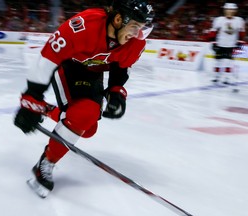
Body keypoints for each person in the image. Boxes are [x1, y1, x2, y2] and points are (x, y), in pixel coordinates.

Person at [14, 0, 155, 198]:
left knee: (88, 129)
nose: (137, 34)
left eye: (141, 29)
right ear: (117, 19)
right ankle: (46, 163)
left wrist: (116, 92)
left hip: (92, 74)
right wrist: (30, 101)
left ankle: (48, 110)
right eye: (134, 27)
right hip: (67, 67)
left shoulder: (136, 42)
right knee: (83, 115)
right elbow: (47, 60)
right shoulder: (82, 26)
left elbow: (121, 67)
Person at [209, 3, 245, 85]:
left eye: (232, 10)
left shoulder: (239, 20)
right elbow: (213, 31)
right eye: (228, 9)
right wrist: (213, 43)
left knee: (229, 63)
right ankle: (216, 76)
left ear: (235, 11)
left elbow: (242, 33)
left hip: (231, 45)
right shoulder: (219, 20)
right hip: (220, 44)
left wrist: (240, 43)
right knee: (217, 62)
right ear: (225, 10)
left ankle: (227, 77)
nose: (229, 11)